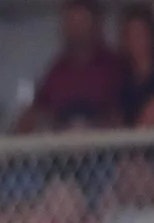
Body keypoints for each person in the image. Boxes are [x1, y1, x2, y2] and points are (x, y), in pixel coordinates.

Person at [22, 0, 129, 131]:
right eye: (70, 22)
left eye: (81, 22)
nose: (75, 30)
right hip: (63, 146)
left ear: (96, 25)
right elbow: (38, 109)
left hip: (106, 145)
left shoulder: (115, 66)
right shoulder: (57, 71)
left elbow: (123, 113)